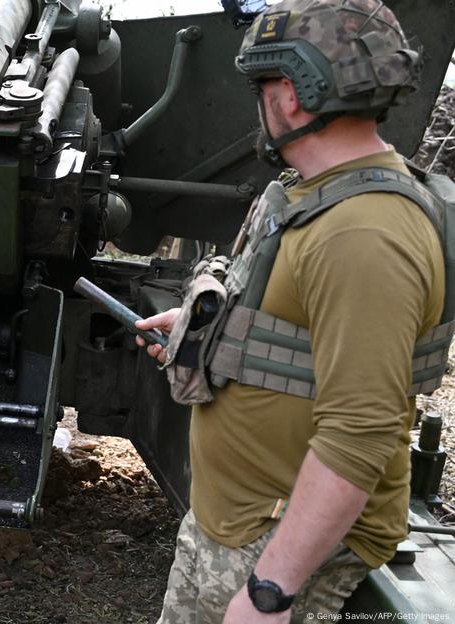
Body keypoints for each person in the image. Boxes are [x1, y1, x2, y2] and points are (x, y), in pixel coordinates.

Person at [134, 1, 450, 622]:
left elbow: (361, 430)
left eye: (262, 85)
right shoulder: (313, 196)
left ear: (293, 95)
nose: (259, 102)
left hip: (273, 547)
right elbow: (302, 336)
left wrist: (269, 591)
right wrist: (214, 332)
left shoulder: (363, 232)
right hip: (238, 521)